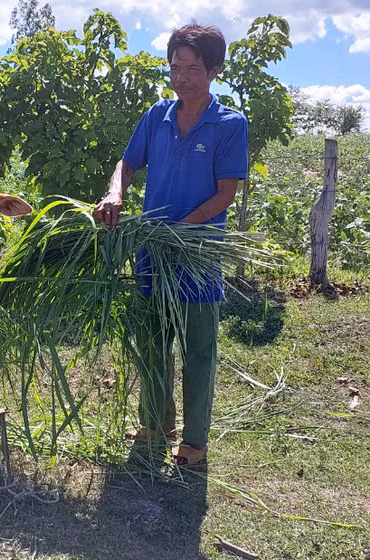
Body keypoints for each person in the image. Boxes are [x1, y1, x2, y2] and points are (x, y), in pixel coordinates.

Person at [93, 23, 248, 466]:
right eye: (175, 67)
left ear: (214, 70)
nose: (181, 77)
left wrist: (182, 228)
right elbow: (127, 162)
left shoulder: (229, 125)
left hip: (197, 255)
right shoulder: (156, 116)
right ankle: (157, 422)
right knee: (153, 340)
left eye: (192, 69)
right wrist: (114, 193)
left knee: (198, 349)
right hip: (152, 252)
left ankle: (195, 440)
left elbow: (225, 193)